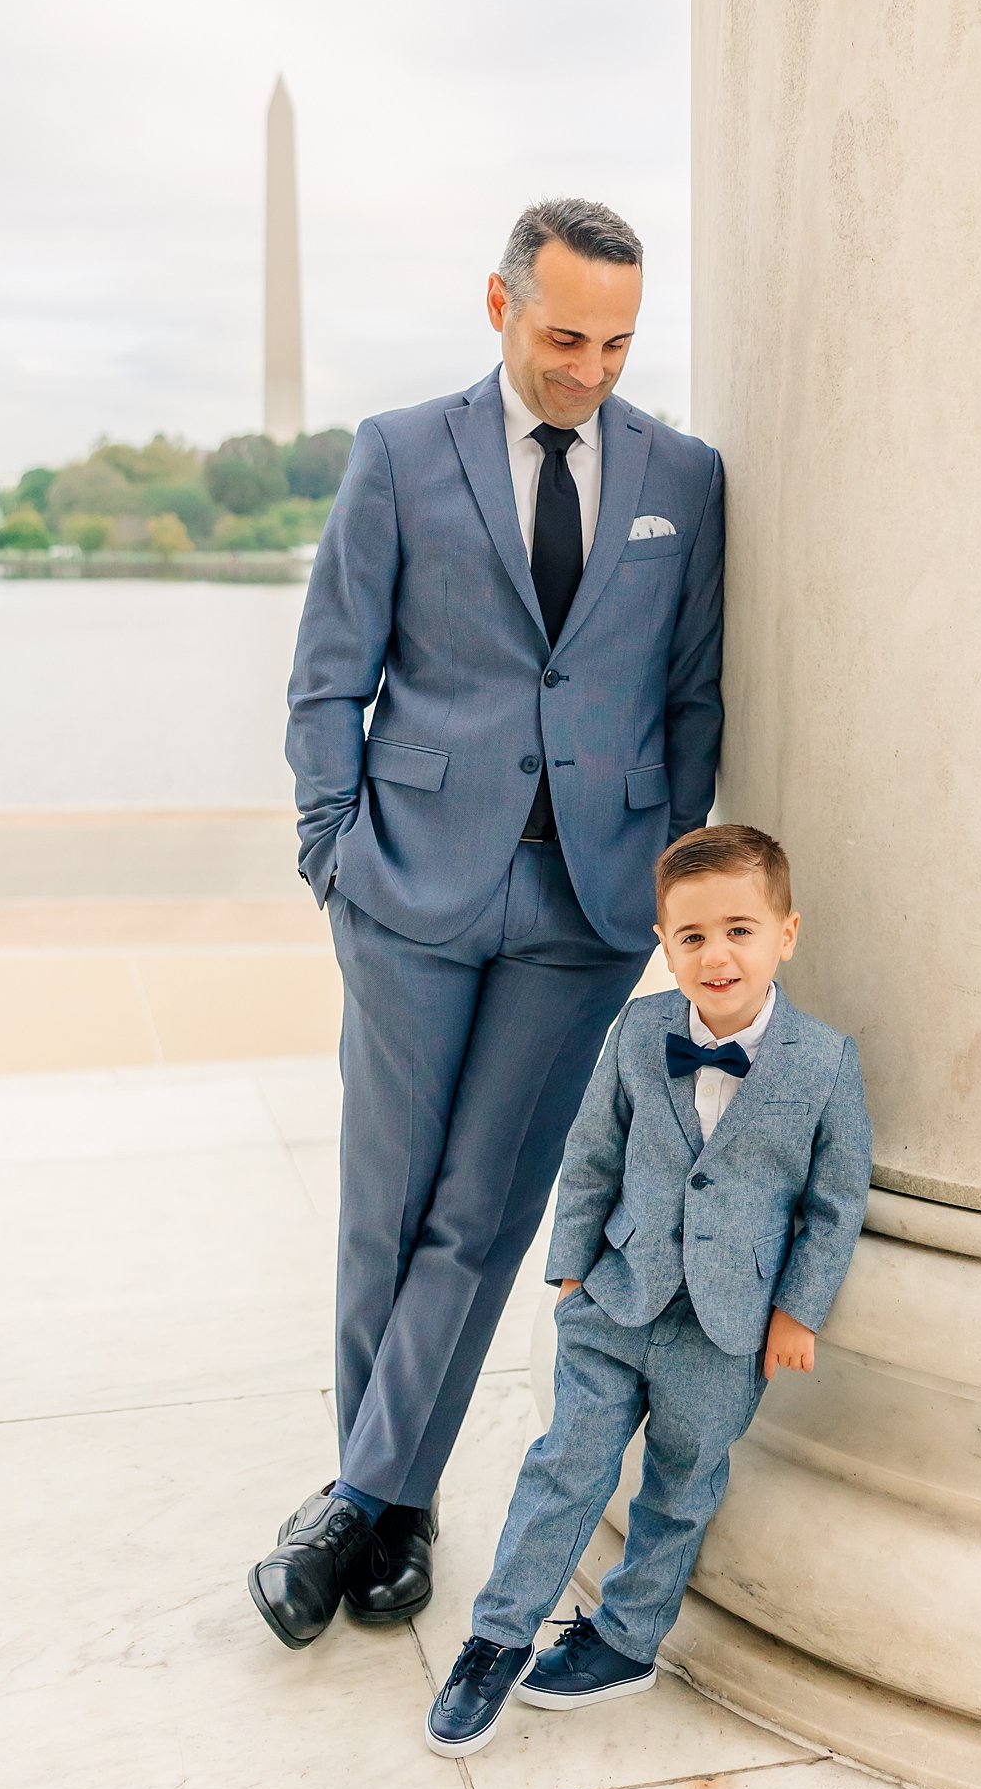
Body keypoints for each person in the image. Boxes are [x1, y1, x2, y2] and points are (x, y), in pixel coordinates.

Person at [249, 199, 725, 1647]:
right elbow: (328, 672)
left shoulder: (684, 479)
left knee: (486, 1209)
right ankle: (394, 1505)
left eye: (621, 341)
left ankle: (362, 1497)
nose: (594, 366)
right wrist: (333, 849)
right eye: (568, 334)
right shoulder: (398, 454)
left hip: (583, 904)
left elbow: (692, 693)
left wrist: (656, 871)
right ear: (501, 306)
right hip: (409, 878)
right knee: (385, 1206)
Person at [424, 823, 871, 1758]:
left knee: (682, 1484)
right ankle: (496, 1639)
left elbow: (834, 1205)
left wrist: (796, 1314)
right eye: (692, 936)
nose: (717, 955)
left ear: (786, 934)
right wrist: (572, 1266)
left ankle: (627, 1641)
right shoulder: (638, 1032)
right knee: (566, 1465)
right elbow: (590, 1153)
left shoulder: (825, 1064)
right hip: (617, 1298)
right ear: (664, 945)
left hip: (729, 1328)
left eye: (740, 930)